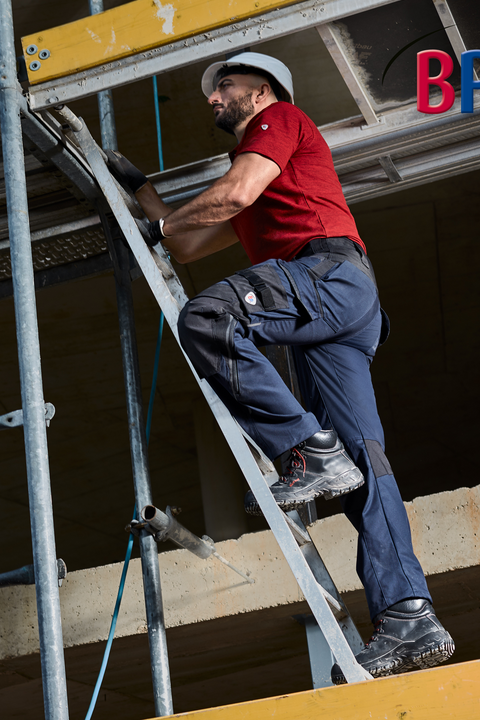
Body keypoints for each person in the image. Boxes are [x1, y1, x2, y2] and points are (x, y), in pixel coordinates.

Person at [105, 52, 454, 683]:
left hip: (324, 277)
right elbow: (186, 239)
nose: (213, 97)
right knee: (363, 461)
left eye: (226, 87)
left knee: (210, 319)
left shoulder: (281, 120)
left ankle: (302, 449)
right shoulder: (263, 182)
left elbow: (230, 194)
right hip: (337, 309)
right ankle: (410, 614)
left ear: (261, 92)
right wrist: (141, 192)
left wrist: (159, 228)